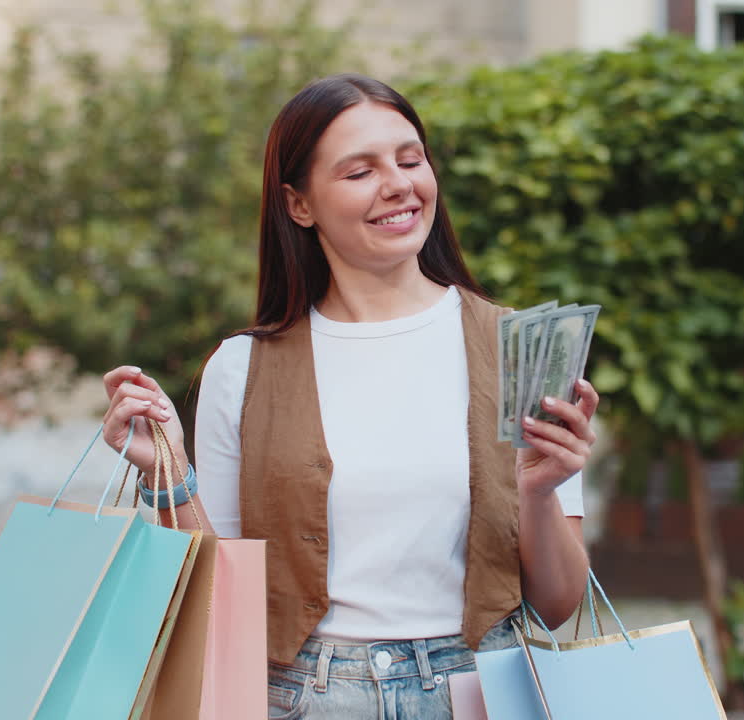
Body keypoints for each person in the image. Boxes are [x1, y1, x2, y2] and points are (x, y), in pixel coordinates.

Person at [99, 73, 596, 719]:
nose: (398, 183)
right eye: (360, 171)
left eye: (410, 159)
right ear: (298, 204)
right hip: (303, 700)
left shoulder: (518, 350)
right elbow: (217, 599)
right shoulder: (243, 367)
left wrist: (538, 493)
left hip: (480, 695)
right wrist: (165, 471)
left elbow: (558, 606)